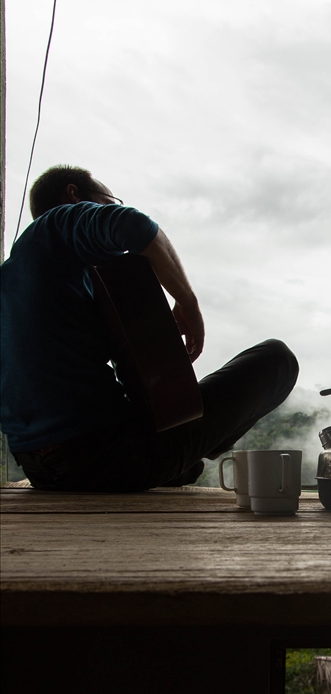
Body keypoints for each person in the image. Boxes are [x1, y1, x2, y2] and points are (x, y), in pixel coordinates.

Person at [0, 165, 299, 491]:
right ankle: (198, 444)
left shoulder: (15, 280)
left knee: (187, 466)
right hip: (106, 456)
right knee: (278, 359)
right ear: (74, 195)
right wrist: (188, 302)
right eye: (108, 199)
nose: (111, 206)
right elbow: (133, 225)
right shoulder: (55, 226)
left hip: (41, 469)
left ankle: (185, 453)